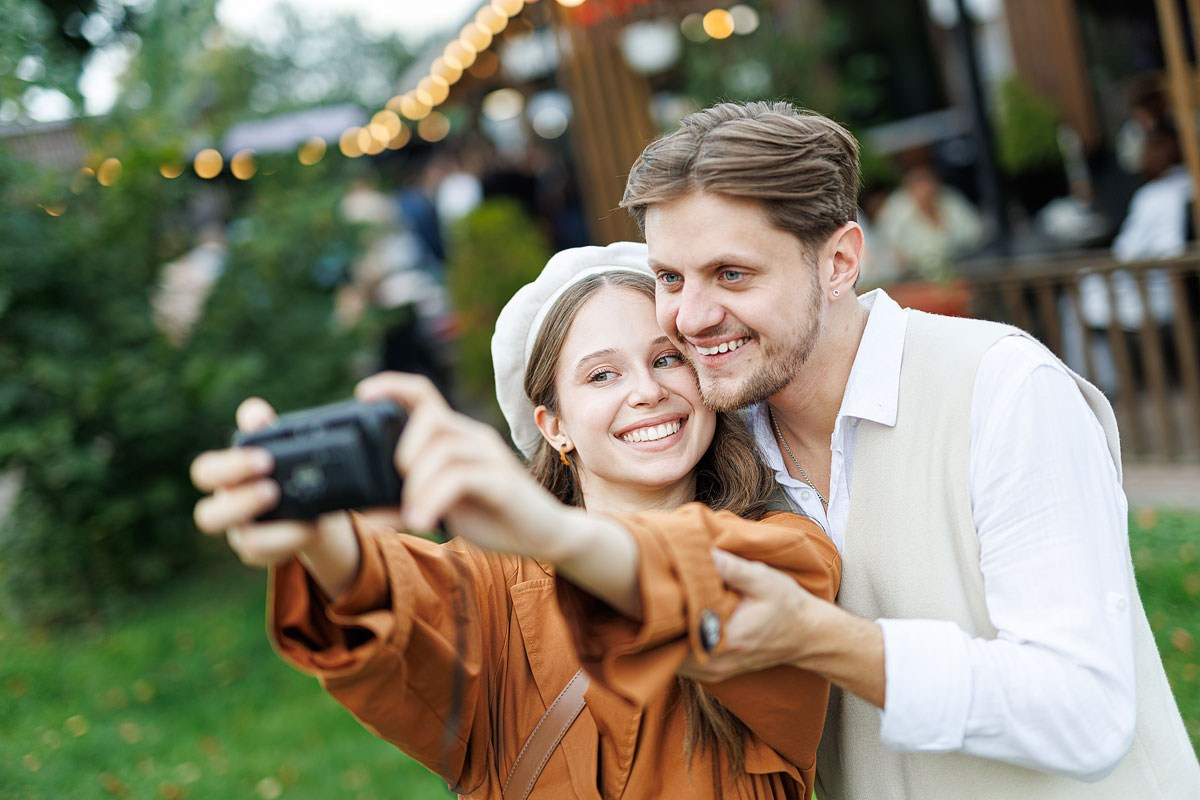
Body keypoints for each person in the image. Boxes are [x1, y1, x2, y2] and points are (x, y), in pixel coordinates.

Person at [620, 100, 1200, 798]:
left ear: (838, 263)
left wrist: (820, 637)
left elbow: (1084, 713)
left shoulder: (1003, 389)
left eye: (732, 275)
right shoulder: (718, 448)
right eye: (669, 277)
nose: (689, 317)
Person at [189, 242, 840, 799]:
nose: (647, 390)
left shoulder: (788, 545)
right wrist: (325, 541)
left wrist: (550, 532)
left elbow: (725, 594)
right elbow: (396, 604)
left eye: (667, 358)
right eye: (602, 373)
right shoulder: (494, 582)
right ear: (554, 426)